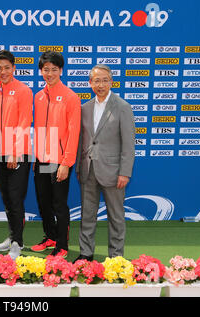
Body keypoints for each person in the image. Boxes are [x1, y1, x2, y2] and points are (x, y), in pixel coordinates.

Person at [74, 64, 135, 262]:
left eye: (105, 80)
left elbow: (128, 143)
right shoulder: (84, 108)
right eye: (96, 80)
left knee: (116, 217)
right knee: (87, 215)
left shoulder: (122, 107)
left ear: (111, 82)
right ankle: (85, 253)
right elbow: (82, 140)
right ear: (90, 83)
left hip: (113, 171)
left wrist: (125, 172)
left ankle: (116, 257)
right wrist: (78, 167)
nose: (101, 84)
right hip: (88, 170)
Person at [31, 51, 81, 258]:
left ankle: (62, 245)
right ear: (41, 71)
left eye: (54, 69)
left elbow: (74, 132)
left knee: (59, 204)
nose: (49, 73)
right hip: (41, 159)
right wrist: (36, 157)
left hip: (60, 161)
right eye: (46, 69)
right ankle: (50, 236)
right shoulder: (39, 96)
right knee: (43, 202)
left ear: (61, 70)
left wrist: (66, 163)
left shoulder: (70, 96)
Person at [0, 50, 33, 259]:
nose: (3, 71)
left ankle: (18, 242)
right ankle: (13, 235)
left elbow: (24, 122)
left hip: (19, 154)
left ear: (14, 68)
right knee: (7, 199)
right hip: (0, 154)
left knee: (16, 199)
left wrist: (14, 153)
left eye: (7, 67)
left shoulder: (23, 90)